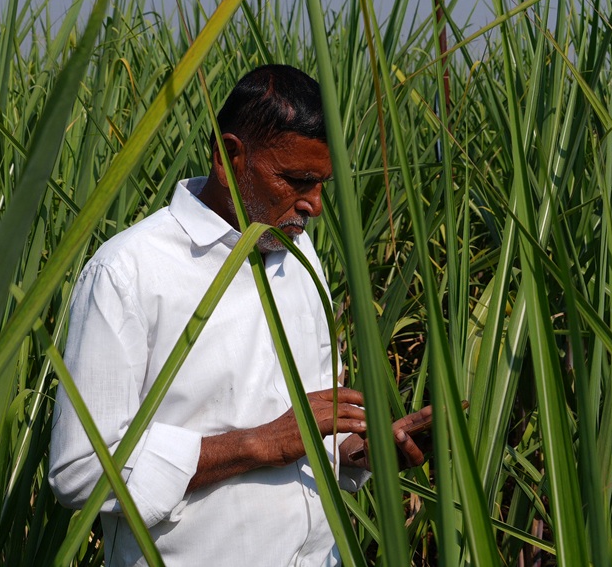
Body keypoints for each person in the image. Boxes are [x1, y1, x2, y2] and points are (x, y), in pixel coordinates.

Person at [48, 63, 432, 566]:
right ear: (230, 157)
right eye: (296, 179)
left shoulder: (301, 256)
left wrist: (360, 455)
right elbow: (80, 471)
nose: (314, 205)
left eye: (322, 184)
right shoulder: (128, 274)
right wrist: (259, 443)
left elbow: (311, 433)